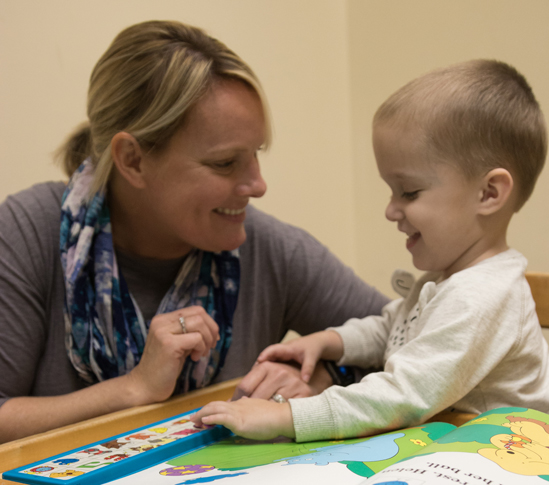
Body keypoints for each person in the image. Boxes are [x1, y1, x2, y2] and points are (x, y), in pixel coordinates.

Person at [0, 20, 388, 443]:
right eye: (224, 163)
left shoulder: (269, 248)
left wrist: (319, 376)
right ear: (132, 160)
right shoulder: (26, 231)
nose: (258, 185)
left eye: (255, 155)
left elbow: (413, 340)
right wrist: (135, 389)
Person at [191, 59, 549, 442]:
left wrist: (287, 416)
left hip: (519, 461)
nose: (390, 210)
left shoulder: (482, 297)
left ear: (488, 194)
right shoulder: (449, 280)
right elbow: (391, 326)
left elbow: (401, 396)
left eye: (409, 192)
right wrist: (331, 341)